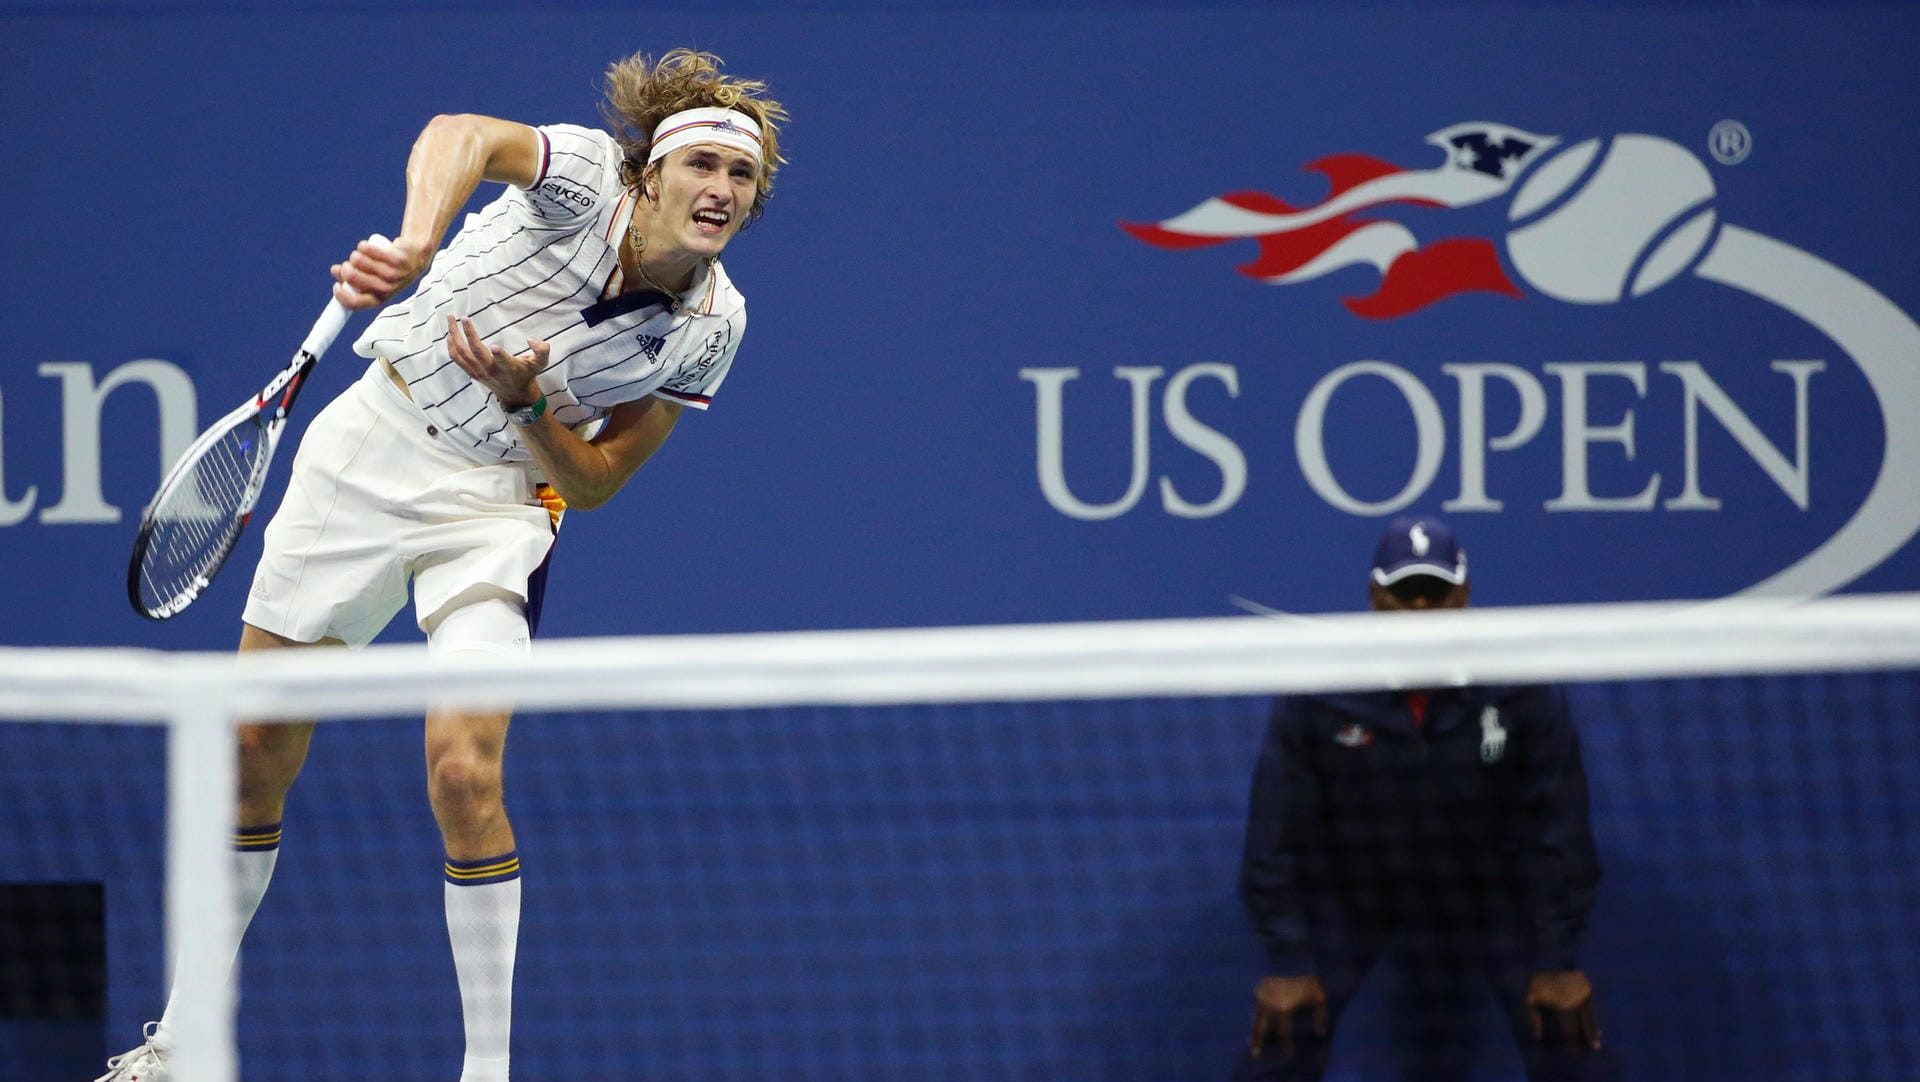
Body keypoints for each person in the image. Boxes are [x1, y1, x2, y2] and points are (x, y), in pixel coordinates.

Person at [96, 48, 788, 1082]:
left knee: (465, 771)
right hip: (370, 450)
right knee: (251, 749)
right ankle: (183, 1037)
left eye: (743, 180)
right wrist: (419, 242)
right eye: (704, 168)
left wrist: (527, 407)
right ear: (651, 173)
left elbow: (594, 482)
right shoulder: (586, 171)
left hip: (501, 503)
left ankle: (487, 1071)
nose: (722, 192)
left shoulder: (712, 326)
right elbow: (460, 130)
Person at [1230, 515, 1621, 1081]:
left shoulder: (1519, 685)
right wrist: (1288, 959)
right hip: (1356, 893)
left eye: (1435, 592)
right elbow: (1277, 828)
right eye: (1403, 593)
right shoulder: (1320, 691)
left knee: (1570, 1039)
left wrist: (1558, 957)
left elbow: (1557, 823)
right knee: (1283, 1040)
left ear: (1462, 595)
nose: (1419, 608)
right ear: (1373, 598)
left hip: (1489, 892)